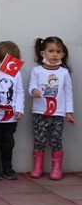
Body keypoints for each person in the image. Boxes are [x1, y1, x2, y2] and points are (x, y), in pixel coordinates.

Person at [28, 37, 75, 180]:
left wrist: (69, 112)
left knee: (56, 140)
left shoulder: (64, 73)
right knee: (39, 140)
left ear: (62, 54)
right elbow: (31, 86)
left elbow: (68, 92)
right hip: (40, 112)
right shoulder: (36, 71)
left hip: (58, 113)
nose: (54, 54)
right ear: (43, 53)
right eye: (51, 51)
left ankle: (56, 168)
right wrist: (34, 91)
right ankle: (37, 167)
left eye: (58, 51)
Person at [0, 41, 24, 180]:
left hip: (10, 116)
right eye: (3, 60)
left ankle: (8, 168)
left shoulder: (16, 74)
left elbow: (19, 92)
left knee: (8, 143)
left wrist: (19, 109)